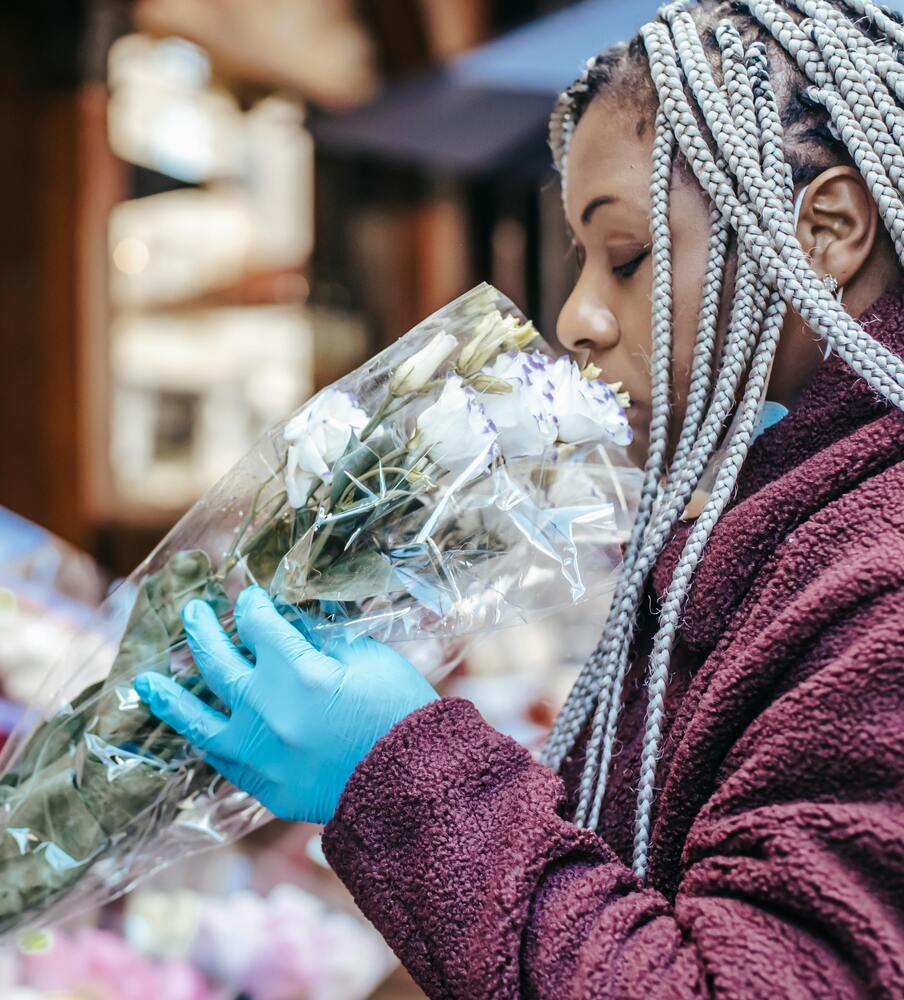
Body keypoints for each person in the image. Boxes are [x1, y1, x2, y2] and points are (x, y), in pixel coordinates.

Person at [134, 0, 904, 995]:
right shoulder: (794, 512)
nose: (576, 316)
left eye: (623, 256)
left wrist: (400, 773)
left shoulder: (879, 573)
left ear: (829, 229)